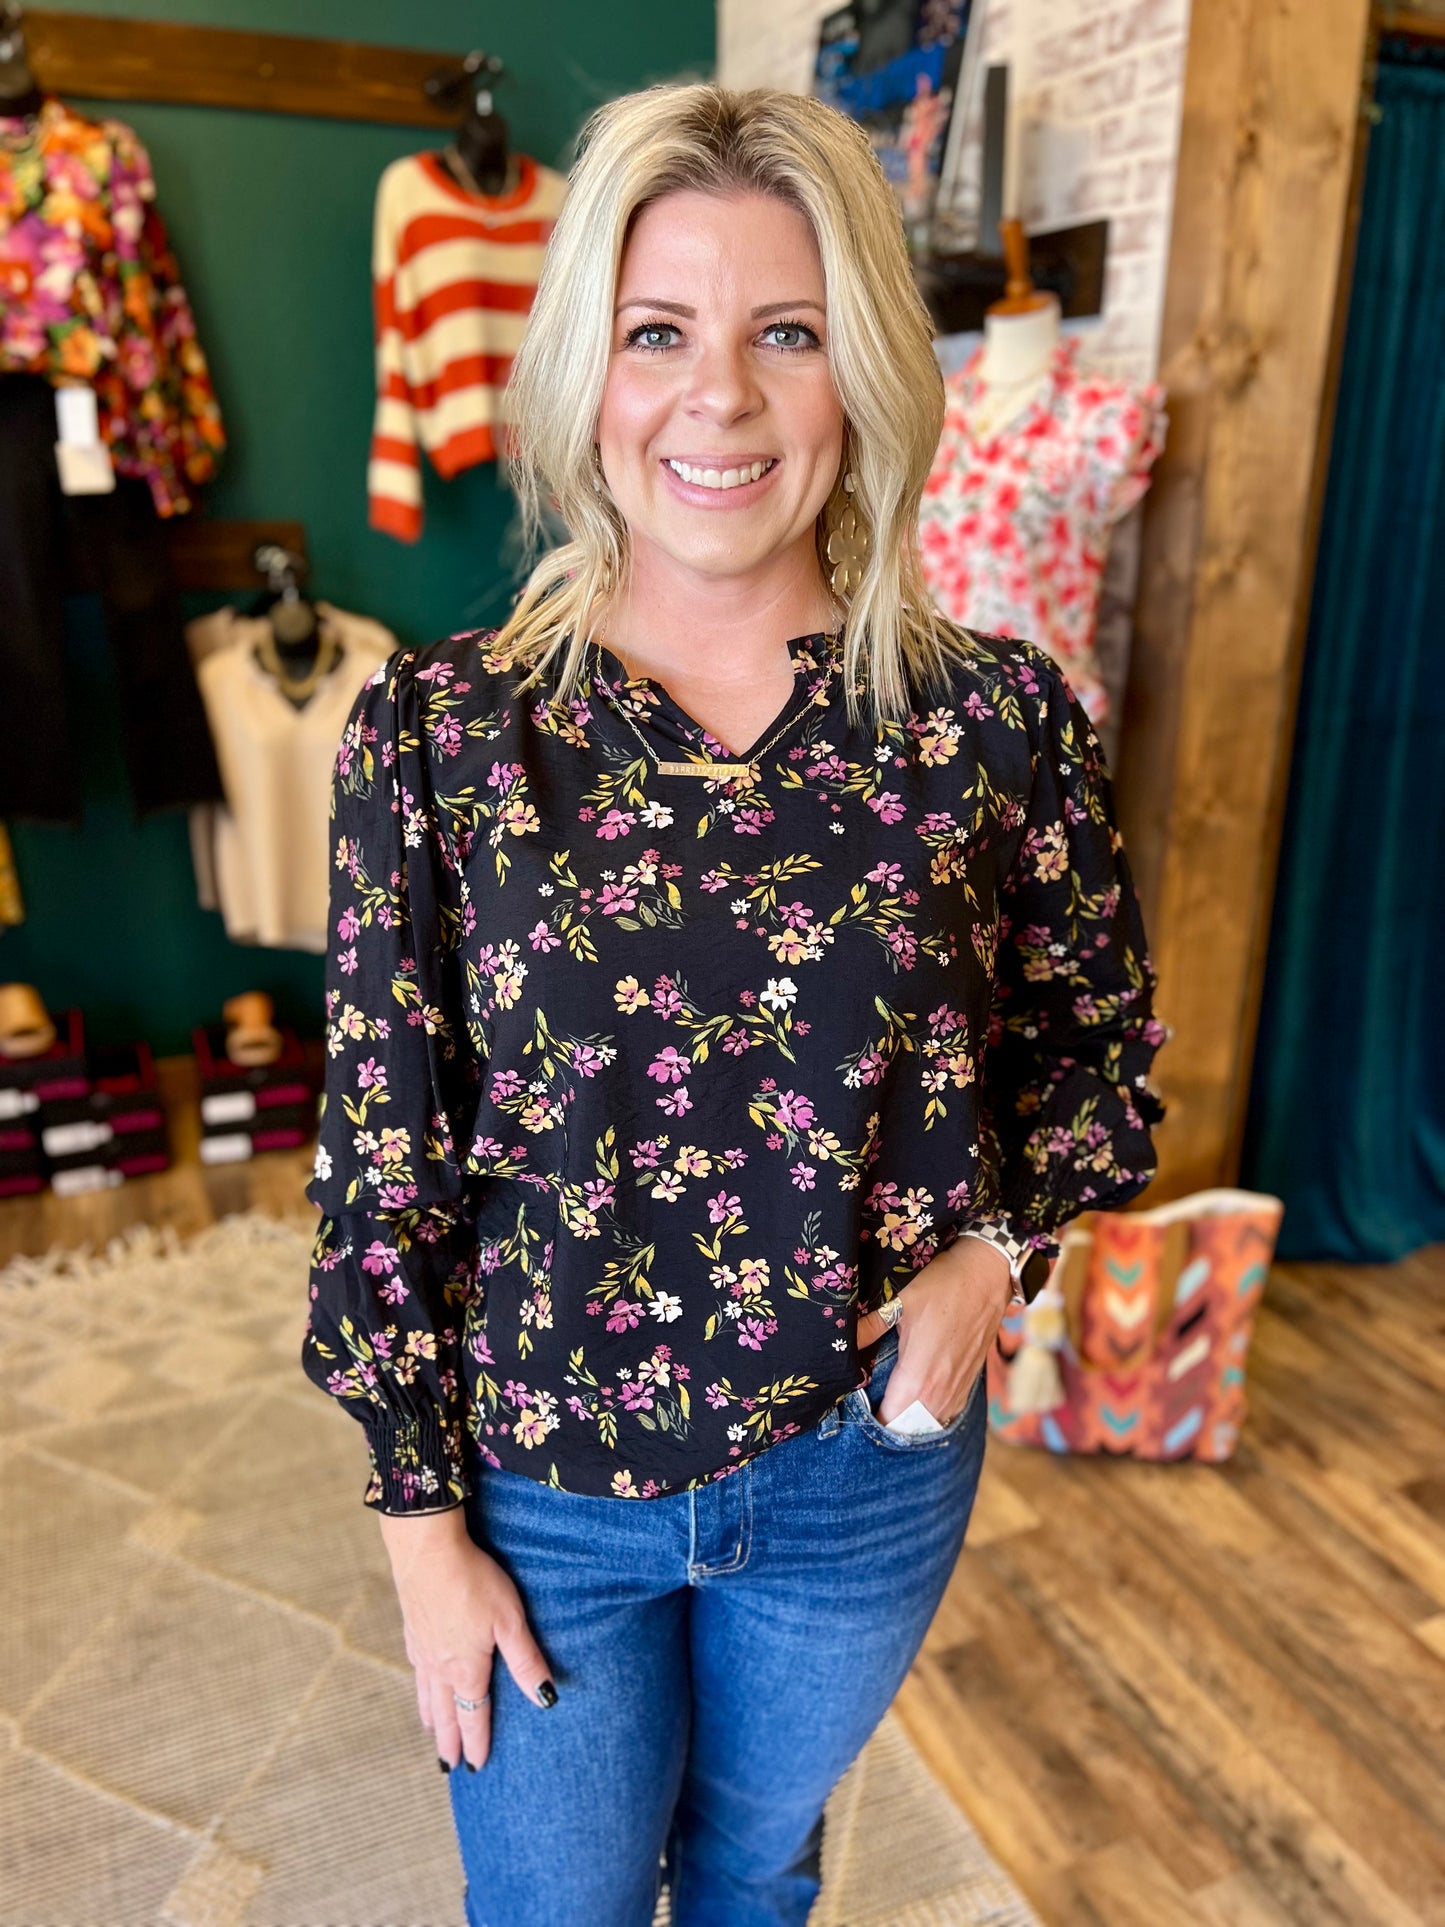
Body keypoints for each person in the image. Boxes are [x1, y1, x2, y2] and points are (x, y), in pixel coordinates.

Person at [302, 80, 1166, 1927]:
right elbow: (382, 1173)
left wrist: (986, 1266)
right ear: (578, 376)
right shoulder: (445, 738)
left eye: (785, 332)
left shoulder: (988, 723)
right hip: (540, 1485)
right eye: (656, 334)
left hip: (861, 1460)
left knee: (759, 1867)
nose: (720, 396)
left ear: (856, 370)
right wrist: (419, 1541)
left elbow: (1100, 1058)